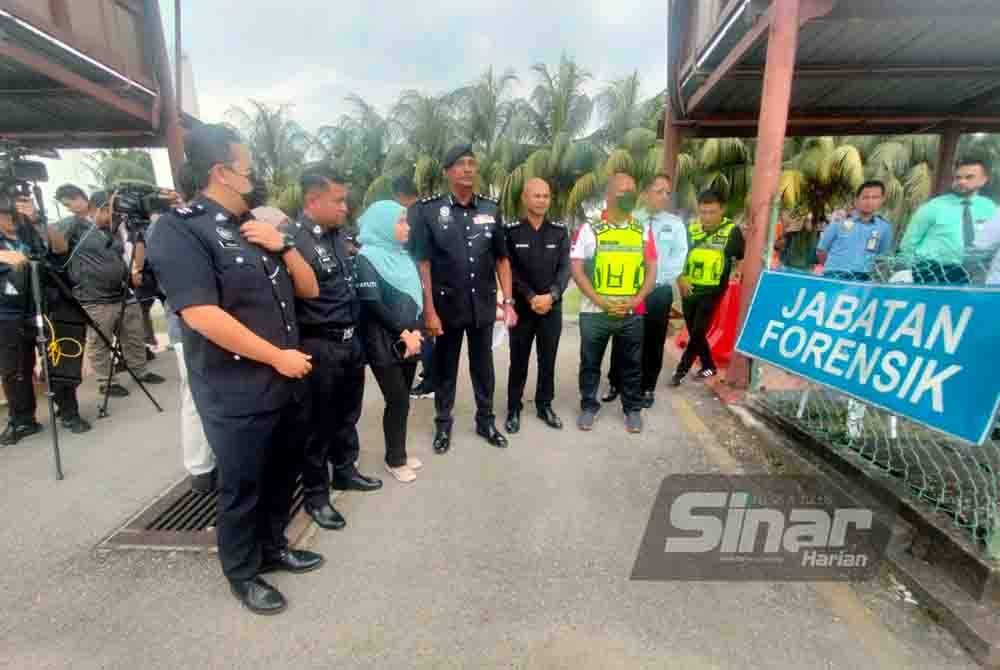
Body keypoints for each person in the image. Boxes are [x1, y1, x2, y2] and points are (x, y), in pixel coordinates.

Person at [148, 123, 324, 615]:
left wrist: (283, 245)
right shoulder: (180, 228)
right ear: (221, 172)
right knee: (243, 484)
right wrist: (276, 357)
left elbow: (309, 290)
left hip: (285, 383)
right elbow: (200, 313)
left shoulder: (256, 227)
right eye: (247, 167)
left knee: (279, 475)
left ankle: (274, 548)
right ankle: (242, 572)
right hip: (237, 388)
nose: (255, 176)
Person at [282, 165, 382, 532]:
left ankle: (345, 470)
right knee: (317, 426)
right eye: (338, 200)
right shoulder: (292, 241)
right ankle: (316, 496)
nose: (345, 207)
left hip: (350, 340)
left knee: (347, 414)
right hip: (318, 344)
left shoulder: (339, 236)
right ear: (313, 200)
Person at [409, 144, 516, 454]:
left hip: (482, 304)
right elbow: (424, 262)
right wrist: (429, 309)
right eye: (460, 164)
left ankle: (486, 421)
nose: (468, 168)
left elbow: (502, 259)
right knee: (445, 368)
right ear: (447, 172)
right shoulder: (428, 211)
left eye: (472, 163)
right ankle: (443, 425)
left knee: (483, 366)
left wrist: (507, 302)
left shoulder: (491, 209)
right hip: (446, 306)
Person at [570, 172, 657, 433]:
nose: (628, 196)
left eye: (632, 190)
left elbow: (651, 268)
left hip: (631, 312)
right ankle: (589, 405)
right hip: (595, 312)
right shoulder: (589, 228)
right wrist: (601, 302)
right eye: (622, 191)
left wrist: (636, 300)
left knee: (631, 364)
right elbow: (577, 269)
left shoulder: (643, 230)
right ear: (608, 195)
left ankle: (632, 409)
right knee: (590, 362)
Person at [147, 169, 216, 494]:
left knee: (207, 395)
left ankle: (208, 462)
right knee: (195, 394)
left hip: (201, 323)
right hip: (186, 325)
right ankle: (200, 468)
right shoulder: (169, 227)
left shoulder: (202, 222)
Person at [63, 190, 165, 397]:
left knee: (134, 335)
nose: (115, 215)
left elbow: (125, 253)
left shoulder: (113, 228)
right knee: (100, 342)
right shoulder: (74, 226)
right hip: (95, 298)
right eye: (110, 211)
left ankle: (140, 371)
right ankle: (106, 381)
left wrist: (135, 265)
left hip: (123, 292)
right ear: (98, 208)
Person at [355, 200, 425, 482]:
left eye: (406, 221)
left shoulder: (402, 256)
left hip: (410, 340)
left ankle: (400, 452)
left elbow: (417, 297)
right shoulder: (366, 257)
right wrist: (404, 333)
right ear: (383, 225)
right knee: (397, 400)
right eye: (400, 222)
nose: (406, 227)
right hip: (382, 342)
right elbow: (373, 303)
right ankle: (394, 460)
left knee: (403, 400)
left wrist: (417, 331)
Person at [605, 174, 687, 409]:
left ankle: (647, 387)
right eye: (659, 191)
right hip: (628, 290)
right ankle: (616, 382)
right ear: (644, 194)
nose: (664, 197)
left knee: (653, 340)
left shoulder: (675, 224)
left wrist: (653, 281)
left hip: (659, 291)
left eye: (667, 193)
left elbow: (677, 259)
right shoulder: (630, 219)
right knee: (622, 336)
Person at [0, 192, 74, 444]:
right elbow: (13, 259)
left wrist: (39, 220)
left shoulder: (30, 232)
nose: (11, 217)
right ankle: (22, 420)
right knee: (15, 368)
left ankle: (68, 411)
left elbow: (61, 248)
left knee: (57, 358)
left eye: (13, 212)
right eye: (5, 212)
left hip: (42, 306)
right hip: (8, 314)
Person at [503, 178, 570, 433]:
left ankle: (544, 405)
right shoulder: (512, 232)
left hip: (551, 309)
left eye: (546, 196)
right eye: (537, 196)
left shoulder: (559, 231)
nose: (542, 200)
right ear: (525, 198)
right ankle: (513, 407)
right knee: (518, 360)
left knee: (548, 359)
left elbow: (565, 269)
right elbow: (511, 271)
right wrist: (531, 297)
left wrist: (551, 296)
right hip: (522, 308)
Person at [670, 190, 745, 386]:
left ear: (722, 210)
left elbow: (741, 257)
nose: (707, 217)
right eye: (703, 212)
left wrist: (738, 271)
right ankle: (709, 365)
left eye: (712, 212)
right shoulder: (690, 229)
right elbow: (677, 257)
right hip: (689, 288)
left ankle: (681, 370)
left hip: (713, 290)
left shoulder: (732, 231)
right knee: (696, 330)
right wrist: (680, 279)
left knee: (697, 331)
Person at [900, 158, 997, 284]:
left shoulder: (991, 209)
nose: (962, 182)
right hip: (931, 271)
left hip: (974, 275)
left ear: (983, 180)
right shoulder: (934, 206)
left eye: (969, 177)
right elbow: (909, 242)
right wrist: (907, 270)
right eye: (958, 177)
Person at [816, 181, 893, 281]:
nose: (870, 202)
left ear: (881, 200)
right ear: (856, 200)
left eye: (875, 198)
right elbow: (821, 250)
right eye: (865, 197)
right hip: (835, 274)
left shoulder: (884, 227)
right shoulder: (840, 221)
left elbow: (882, 257)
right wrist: (833, 267)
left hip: (863, 278)